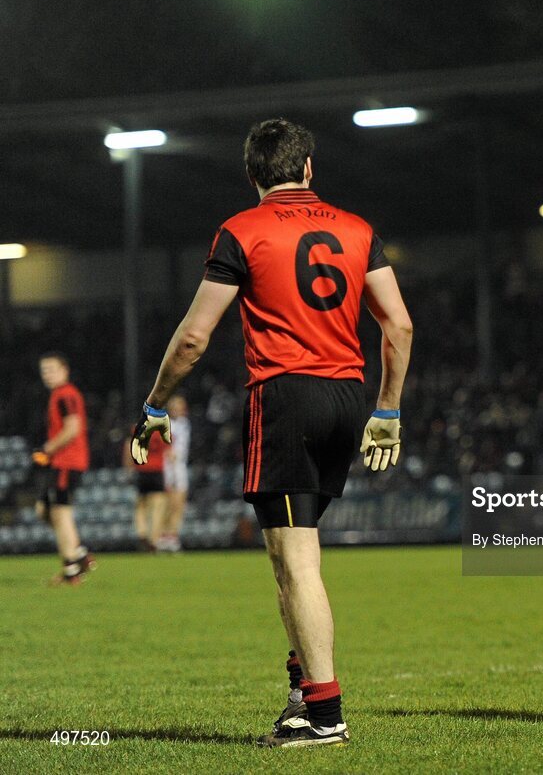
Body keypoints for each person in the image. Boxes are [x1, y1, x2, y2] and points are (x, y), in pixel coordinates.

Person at [129, 118, 413, 749]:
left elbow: (196, 336)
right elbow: (398, 326)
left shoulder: (241, 230)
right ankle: (300, 693)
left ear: (253, 176)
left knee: (296, 561)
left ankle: (324, 714)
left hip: (285, 398)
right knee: (290, 557)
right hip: (348, 397)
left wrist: (155, 403)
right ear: (309, 168)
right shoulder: (358, 228)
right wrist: (387, 410)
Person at [33, 352, 95, 585]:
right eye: (44, 370)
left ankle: (71, 570)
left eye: (52, 369)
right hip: (60, 462)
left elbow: (72, 428)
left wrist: (47, 449)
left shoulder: (66, 395)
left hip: (67, 461)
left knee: (60, 512)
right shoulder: (59, 395)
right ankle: (80, 554)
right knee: (44, 509)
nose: (47, 374)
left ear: (64, 370)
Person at [122, 429, 167, 552]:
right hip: (157, 471)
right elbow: (169, 450)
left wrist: (128, 469)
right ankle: (153, 538)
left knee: (141, 505)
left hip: (142, 470)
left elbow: (129, 448)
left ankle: (142, 533)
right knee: (158, 506)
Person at [158, 395, 191, 552]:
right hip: (169, 467)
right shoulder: (166, 424)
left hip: (180, 466)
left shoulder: (185, 424)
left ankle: (173, 535)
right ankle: (163, 535)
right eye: (175, 407)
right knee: (169, 503)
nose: (177, 410)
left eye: (180, 407)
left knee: (179, 503)